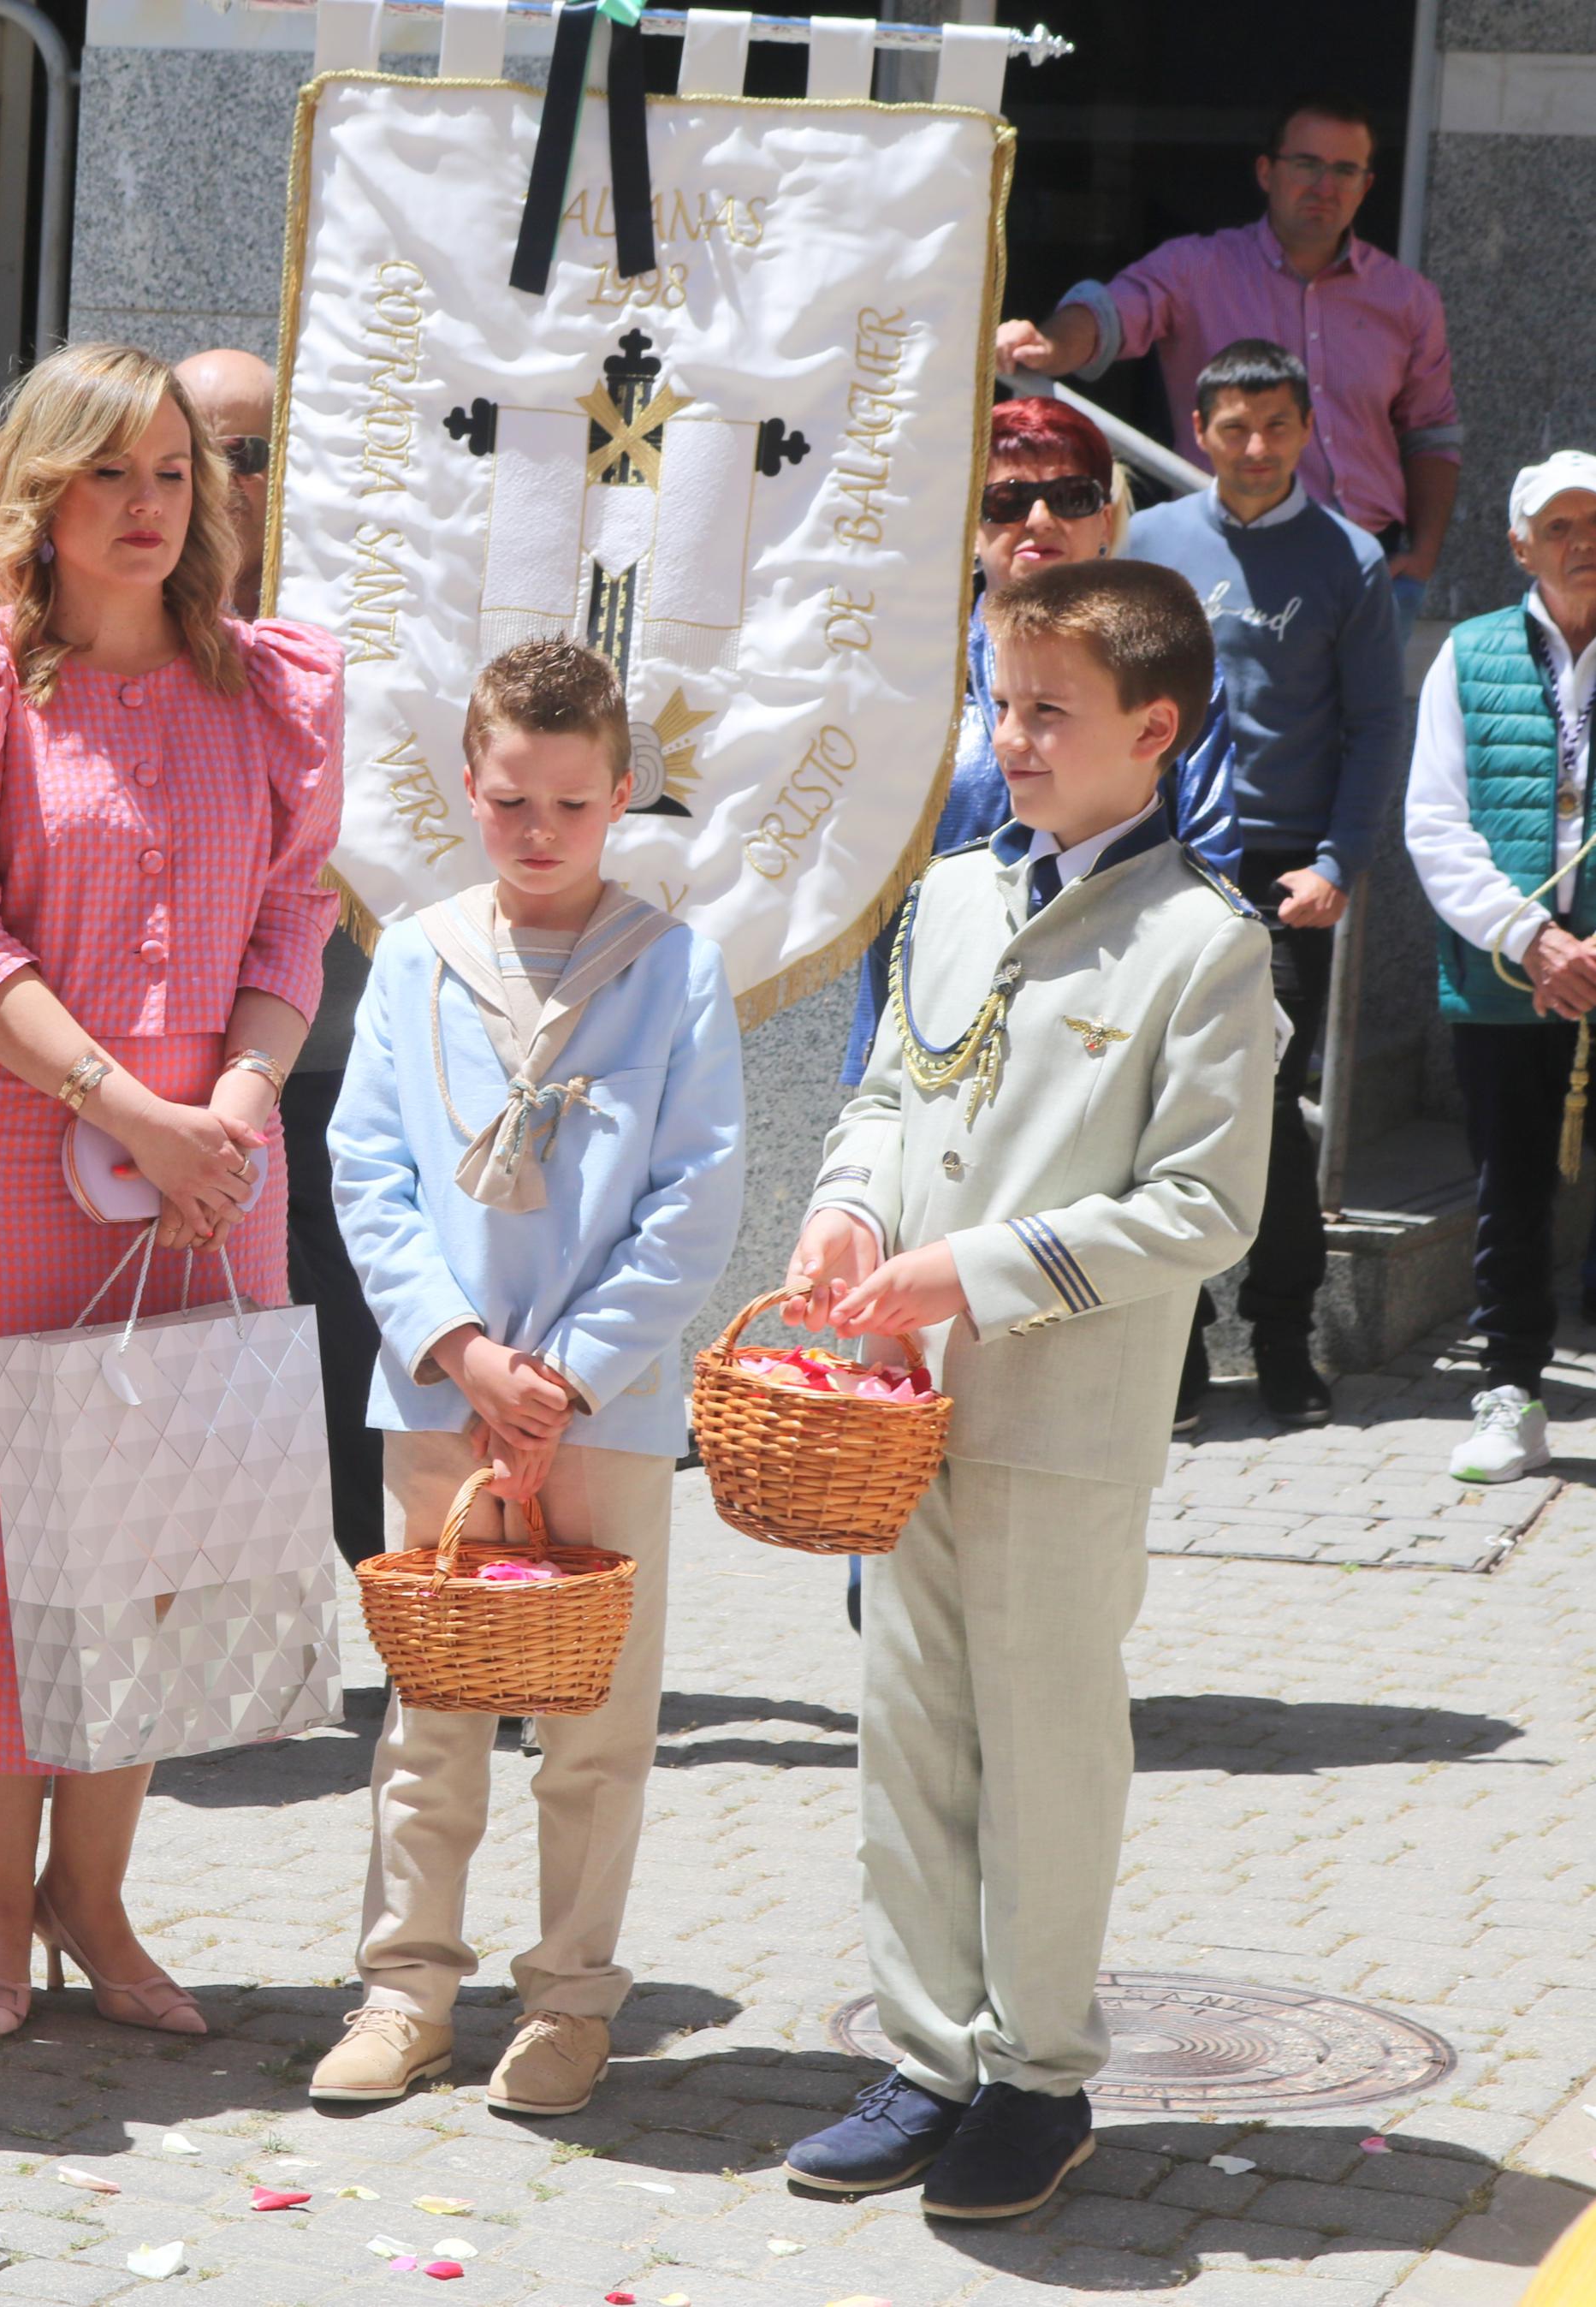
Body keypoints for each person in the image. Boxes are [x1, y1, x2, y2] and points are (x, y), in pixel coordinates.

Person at [780, 559, 1273, 2221]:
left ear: (1154, 729)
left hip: (1058, 1428)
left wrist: (968, 1275)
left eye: (1047, 708)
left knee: (1043, 1746)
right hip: (895, 1411)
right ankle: (923, 2055)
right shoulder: (948, 894)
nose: (1012, 732)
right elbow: (881, 1095)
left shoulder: (1200, 944)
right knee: (902, 1728)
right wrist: (844, 1208)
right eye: (999, 699)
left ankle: (1036, 2074)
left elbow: (1201, 1211)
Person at [0, 342, 341, 2039]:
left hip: (211, 1154)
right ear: (37, 488)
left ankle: (99, 1896)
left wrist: (227, 1100)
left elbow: (292, 926)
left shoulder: (273, 684)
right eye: (107, 474)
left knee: (146, 1532)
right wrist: (116, 1100)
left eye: (170, 474)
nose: (145, 507)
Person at [306, 639, 743, 2115]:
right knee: (428, 1713)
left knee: (596, 1717)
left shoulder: (672, 969)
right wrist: (461, 1350)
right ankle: (403, 1984)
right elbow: (363, 1168)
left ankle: (566, 1995)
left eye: (569, 801)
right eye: (509, 802)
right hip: (438, 1396)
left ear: (620, 792)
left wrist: (567, 1370)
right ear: (467, 789)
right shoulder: (416, 958)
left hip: (599, 1410)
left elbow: (694, 1192)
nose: (538, 831)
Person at [844, 395, 1243, 1433]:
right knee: (879, 1438)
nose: (1038, 521)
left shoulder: (1162, 672)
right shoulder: (905, 677)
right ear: (965, 527)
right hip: (925, 1034)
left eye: (1069, 494)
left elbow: (1199, 853)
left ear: (1109, 520)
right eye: (1005, 498)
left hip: (1094, 1046)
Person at [1124, 338, 1408, 1428]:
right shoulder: (1147, 543)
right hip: (1159, 860)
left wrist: (1337, 860)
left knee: (1268, 1111)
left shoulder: (1347, 558)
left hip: (1283, 874)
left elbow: (1375, 723)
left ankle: (1280, 1337)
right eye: (1232, 427)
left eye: (1275, 427)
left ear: (1305, 431)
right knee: (1150, 1101)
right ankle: (1176, 1344)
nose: (1252, 447)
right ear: (1198, 431)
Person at [180, 343, 387, 1565]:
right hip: (153, 1060)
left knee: (350, 1337)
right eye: (202, 450)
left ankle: (405, 1612)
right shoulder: (127, 614)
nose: (225, 480)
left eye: (251, 453)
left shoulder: (343, 623)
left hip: (329, 1051)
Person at [997, 94, 1461, 632]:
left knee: (1367, 719)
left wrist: (1422, 554)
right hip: (1225, 565)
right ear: (1267, 171)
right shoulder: (1196, 268)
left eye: (1344, 170)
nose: (1324, 185)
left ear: (1366, 185)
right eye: (1307, 164)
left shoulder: (1407, 298)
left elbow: (1432, 435)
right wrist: (1050, 346)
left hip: (1369, 569)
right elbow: (1108, 316)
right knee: (1207, 718)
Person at [1399, 453, 1596, 1487]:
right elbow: (1433, 825)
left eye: (1592, 521)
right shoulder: (1467, 656)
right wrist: (1534, 939)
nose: (1579, 541)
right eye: (1556, 525)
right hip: (1507, 979)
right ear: (1518, 544)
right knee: (1508, 1193)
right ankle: (1510, 1395)